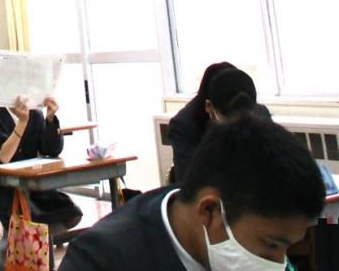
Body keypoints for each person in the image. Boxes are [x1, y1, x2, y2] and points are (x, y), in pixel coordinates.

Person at [58, 115, 326, 270]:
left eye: (286, 248)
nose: (279, 264)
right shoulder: (100, 261)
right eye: (271, 246)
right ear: (209, 211)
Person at [0, 95, 82, 267]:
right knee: (31, 219)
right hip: (4, 190)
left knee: (71, 213)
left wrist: (50, 119)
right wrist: (22, 123)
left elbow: (50, 149)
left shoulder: (35, 114)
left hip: (32, 187)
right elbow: (3, 157)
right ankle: (11, 245)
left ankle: (20, 242)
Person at [168, 63, 271, 181]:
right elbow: (189, 181)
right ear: (209, 107)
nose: (238, 125)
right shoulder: (184, 125)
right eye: (230, 119)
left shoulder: (259, 113)